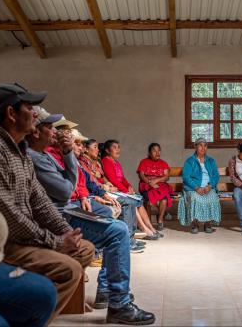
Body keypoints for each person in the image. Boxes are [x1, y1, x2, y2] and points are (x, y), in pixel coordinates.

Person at [0, 83, 95, 318]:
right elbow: (5, 215)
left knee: (84, 249)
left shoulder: (19, 150)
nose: (35, 114)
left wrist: (67, 233)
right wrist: (54, 242)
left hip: (18, 235)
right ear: (11, 114)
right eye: (30, 107)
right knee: (68, 268)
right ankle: (30, 315)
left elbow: (39, 201)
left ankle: (32, 311)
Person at [26, 109, 155, 324]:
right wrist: (69, 155)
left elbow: (76, 183)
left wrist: (70, 159)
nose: (60, 135)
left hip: (66, 210)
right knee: (118, 231)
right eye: (52, 129)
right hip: (60, 215)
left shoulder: (45, 155)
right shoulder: (38, 157)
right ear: (37, 132)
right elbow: (67, 190)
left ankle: (109, 293)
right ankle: (118, 302)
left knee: (117, 223)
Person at [80, 139, 143, 244]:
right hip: (94, 194)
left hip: (102, 191)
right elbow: (91, 183)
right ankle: (128, 240)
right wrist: (107, 189)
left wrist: (111, 186)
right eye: (94, 147)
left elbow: (105, 179)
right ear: (86, 149)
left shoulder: (93, 162)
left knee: (132, 201)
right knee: (127, 202)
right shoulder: (83, 162)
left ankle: (131, 238)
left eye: (97, 147)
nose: (97, 150)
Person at [102, 140, 162, 240]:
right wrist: (125, 191)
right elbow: (113, 180)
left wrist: (129, 187)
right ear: (108, 150)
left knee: (138, 199)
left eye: (118, 147)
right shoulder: (106, 161)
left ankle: (150, 227)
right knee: (133, 201)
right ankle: (143, 229)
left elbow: (123, 179)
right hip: (115, 190)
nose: (118, 150)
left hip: (123, 190)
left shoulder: (117, 163)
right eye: (114, 147)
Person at [179, 138, 221, 234]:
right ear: (195, 146)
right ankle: (195, 223)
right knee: (194, 197)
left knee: (212, 197)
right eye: (200, 145)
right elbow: (186, 177)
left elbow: (215, 175)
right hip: (193, 188)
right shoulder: (190, 161)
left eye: (205, 145)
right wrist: (196, 187)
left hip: (208, 187)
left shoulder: (211, 161)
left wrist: (210, 186)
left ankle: (208, 223)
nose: (203, 148)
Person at [137, 143, 173, 231]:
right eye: (154, 151)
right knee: (148, 201)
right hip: (147, 185)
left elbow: (166, 176)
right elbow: (141, 175)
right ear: (149, 153)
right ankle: (148, 221)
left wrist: (155, 181)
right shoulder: (144, 162)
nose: (157, 153)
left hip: (159, 185)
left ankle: (160, 220)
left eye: (159, 151)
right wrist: (149, 182)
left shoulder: (163, 163)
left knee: (164, 199)